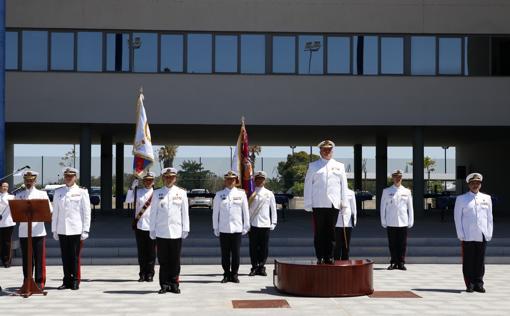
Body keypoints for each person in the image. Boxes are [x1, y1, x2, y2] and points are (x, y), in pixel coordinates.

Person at [304, 140, 348, 264]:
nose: (327, 151)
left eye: (329, 149)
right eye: (324, 149)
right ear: (320, 151)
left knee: (331, 232)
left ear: (332, 151)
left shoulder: (340, 166)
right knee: (319, 232)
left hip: (333, 204)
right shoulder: (313, 166)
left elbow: (343, 186)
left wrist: (344, 202)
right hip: (318, 204)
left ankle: (329, 256)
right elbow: (308, 185)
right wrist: (308, 203)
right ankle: (320, 256)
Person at [149, 167, 189, 294]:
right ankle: (164, 284)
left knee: (175, 260)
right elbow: (153, 213)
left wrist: (186, 228)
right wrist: (152, 229)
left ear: (175, 178)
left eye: (171, 177)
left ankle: (174, 283)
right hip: (162, 232)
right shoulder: (157, 193)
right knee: (163, 260)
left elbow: (185, 212)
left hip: (176, 231)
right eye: (166, 177)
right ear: (163, 178)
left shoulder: (181, 193)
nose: (169, 179)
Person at [51, 167, 91, 290]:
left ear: (75, 177)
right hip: (62, 229)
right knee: (64, 256)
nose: (68, 178)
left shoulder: (82, 191)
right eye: (66, 176)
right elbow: (55, 212)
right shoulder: (58, 192)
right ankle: (66, 280)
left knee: (74, 256)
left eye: (71, 176)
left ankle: (75, 280)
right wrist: (54, 229)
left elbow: (86, 212)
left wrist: (85, 229)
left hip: (76, 229)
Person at [454, 172, 493, 293]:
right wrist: (460, 233)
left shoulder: (487, 198)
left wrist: (489, 232)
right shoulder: (461, 199)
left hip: (482, 234)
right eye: (473, 183)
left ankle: (479, 283)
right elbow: (457, 218)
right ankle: (469, 283)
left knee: (480, 261)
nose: (475, 185)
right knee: (468, 260)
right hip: (468, 234)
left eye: (477, 183)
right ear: (468, 185)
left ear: (480, 184)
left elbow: (489, 217)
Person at [15, 170, 52, 290]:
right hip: (24, 231)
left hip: (38, 231)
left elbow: (49, 210)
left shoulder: (42, 194)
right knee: (26, 258)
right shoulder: (19, 195)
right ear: (24, 181)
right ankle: (27, 280)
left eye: (31, 180)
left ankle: (39, 281)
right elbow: (14, 211)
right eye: (26, 180)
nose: (28, 182)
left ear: (35, 181)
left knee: (39, 258)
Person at [212, 170, 250, 283]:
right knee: (225, 254)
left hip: (237, 229)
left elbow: (245, 211)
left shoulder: (241, 194)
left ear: (236, 181)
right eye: (228, 179)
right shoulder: (219, 195)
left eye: (232, 179)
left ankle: (234, 274)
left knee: (236, 254)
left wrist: (246, 225)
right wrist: (216, 227)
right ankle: (226, 274)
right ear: (225, 181)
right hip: (224, 229)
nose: (230, 181)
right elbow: (215, 213)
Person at [125, 172, 156, 282]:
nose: (148, 182)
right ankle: (142, 273)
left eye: (150, 180)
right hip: (140, 225)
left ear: (153, 181)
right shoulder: (138, 192)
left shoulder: (156, 193)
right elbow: (128, 200)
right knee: (141, 252)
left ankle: (150, 274)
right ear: (143, 181)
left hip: (152, 226)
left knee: (151, 252)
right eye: (146, 180)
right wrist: (131, 188)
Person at [380, 169, 414, 271]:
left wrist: (411, 220)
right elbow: (383, 207)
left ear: (401, 178)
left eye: (399, 177)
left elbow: (410, 207)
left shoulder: (407, 191)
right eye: (395, 177)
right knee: (392, 243)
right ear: (392, 178)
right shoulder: (387, 191)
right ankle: (393, 262)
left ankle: (401, 262)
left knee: (402, 244)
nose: (397, 179)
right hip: (391, 221)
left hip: (403, 221)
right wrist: (383, 220)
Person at [248, 171, 277, 276]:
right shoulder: (250, 193)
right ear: (254, 180)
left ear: (265, 180)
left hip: (265, 224)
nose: (260, 180)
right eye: (258, 178)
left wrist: (273, 222)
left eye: (262, 179)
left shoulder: (269, 193)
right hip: (253, 224)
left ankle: (261, 266)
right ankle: (254, 267)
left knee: (264, 247)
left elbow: (273, 209)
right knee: (253, 247)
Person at [334, 187, 357, 260]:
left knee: (346, 244)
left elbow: (353, 208)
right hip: (337, 222)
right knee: (337, 244)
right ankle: (336, 261)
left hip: (347, 222)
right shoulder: (334, 191)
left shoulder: (350, 193)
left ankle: (345, 260)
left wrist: (354, 221)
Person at [0, 181, 15, 268]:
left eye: (7, 186)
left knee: (7, 242)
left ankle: (6, 261)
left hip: (8, 222)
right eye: (3, 186)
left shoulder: (11, 197)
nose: (5, 188)